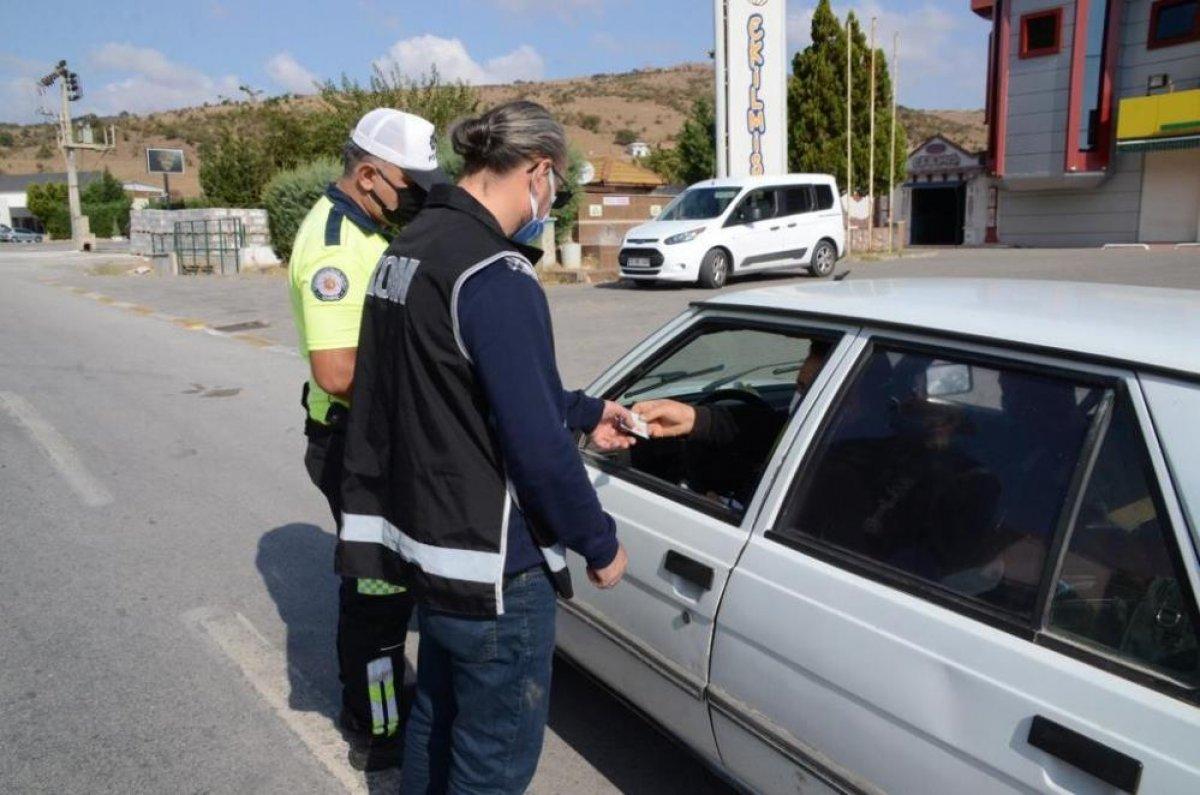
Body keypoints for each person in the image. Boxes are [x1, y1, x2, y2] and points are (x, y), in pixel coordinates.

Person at [339, 100, 634, 794]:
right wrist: (599, 541)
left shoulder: (408, 251)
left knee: (436, 726)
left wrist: (589, 411)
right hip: (496, 573)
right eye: (555, 184)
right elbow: (534, 448)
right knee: (492, 762)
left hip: (430, 555)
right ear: (535, 170)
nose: (551, 201)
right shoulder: (495, 273)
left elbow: (457, 384)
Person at [286, 107, 446, 771]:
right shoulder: (333, 245)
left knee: (387, 583)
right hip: (357, 444)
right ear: (370, 173)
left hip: (375, 439)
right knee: (378, 593)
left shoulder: (366, 229)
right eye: (411, 187)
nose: (416, 199)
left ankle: (380, 698)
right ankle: (378, 727)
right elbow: (338, 370)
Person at [633, 338, 833, 446]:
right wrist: (693, 418)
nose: (800, 397)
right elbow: (762, 427)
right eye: (799, 386)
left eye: (811, 392)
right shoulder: (797, 430)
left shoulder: (842, 463)